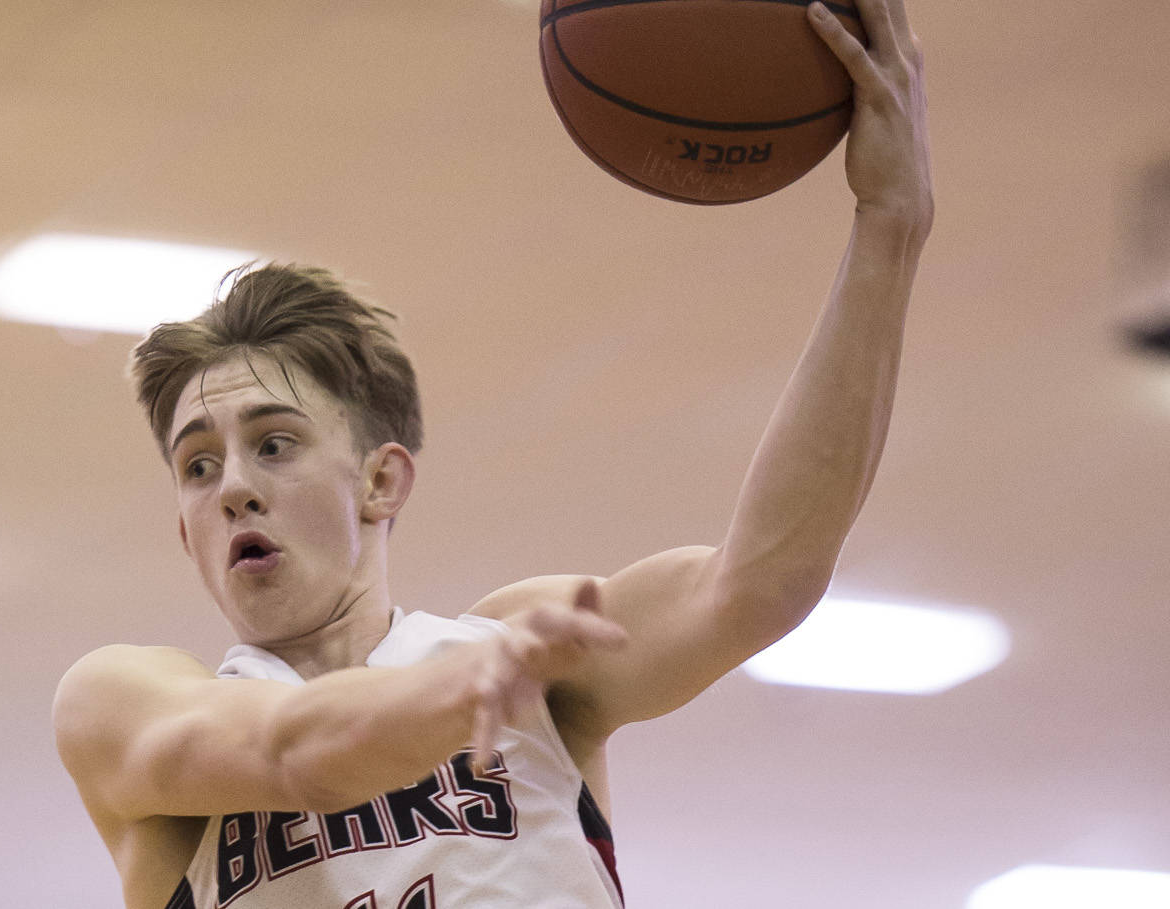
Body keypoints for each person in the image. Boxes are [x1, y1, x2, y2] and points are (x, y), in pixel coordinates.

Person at [54, 0, 932, 904]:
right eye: (198, 465)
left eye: (273, 444)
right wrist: (473, 685)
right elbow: (297, 751)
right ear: (183, 529)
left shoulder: (519, 653)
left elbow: (759, 584)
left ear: (380, 479)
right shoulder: (124, 702)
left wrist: (890, 222)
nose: (233, 486)